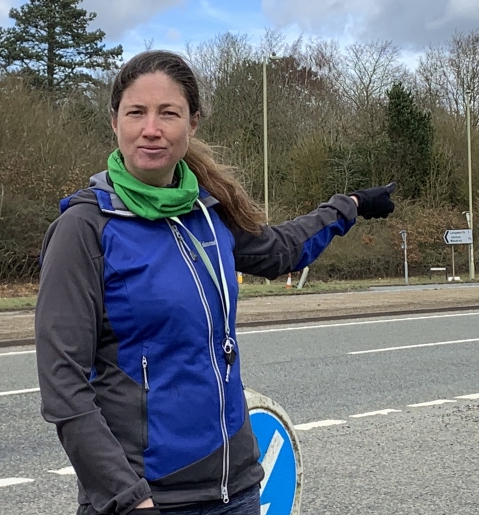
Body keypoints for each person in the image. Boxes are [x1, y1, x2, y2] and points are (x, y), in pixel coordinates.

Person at [34, 50, 396, 515]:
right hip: (149, 499)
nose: (151, 128)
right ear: (115, 122)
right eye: (136, 113)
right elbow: (62, 384)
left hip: (238, 487)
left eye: (169, 113)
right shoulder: (85, 228)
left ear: (193, 123)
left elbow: (280, 250)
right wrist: (127, 497)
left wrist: (348, 205)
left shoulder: (207, 215)